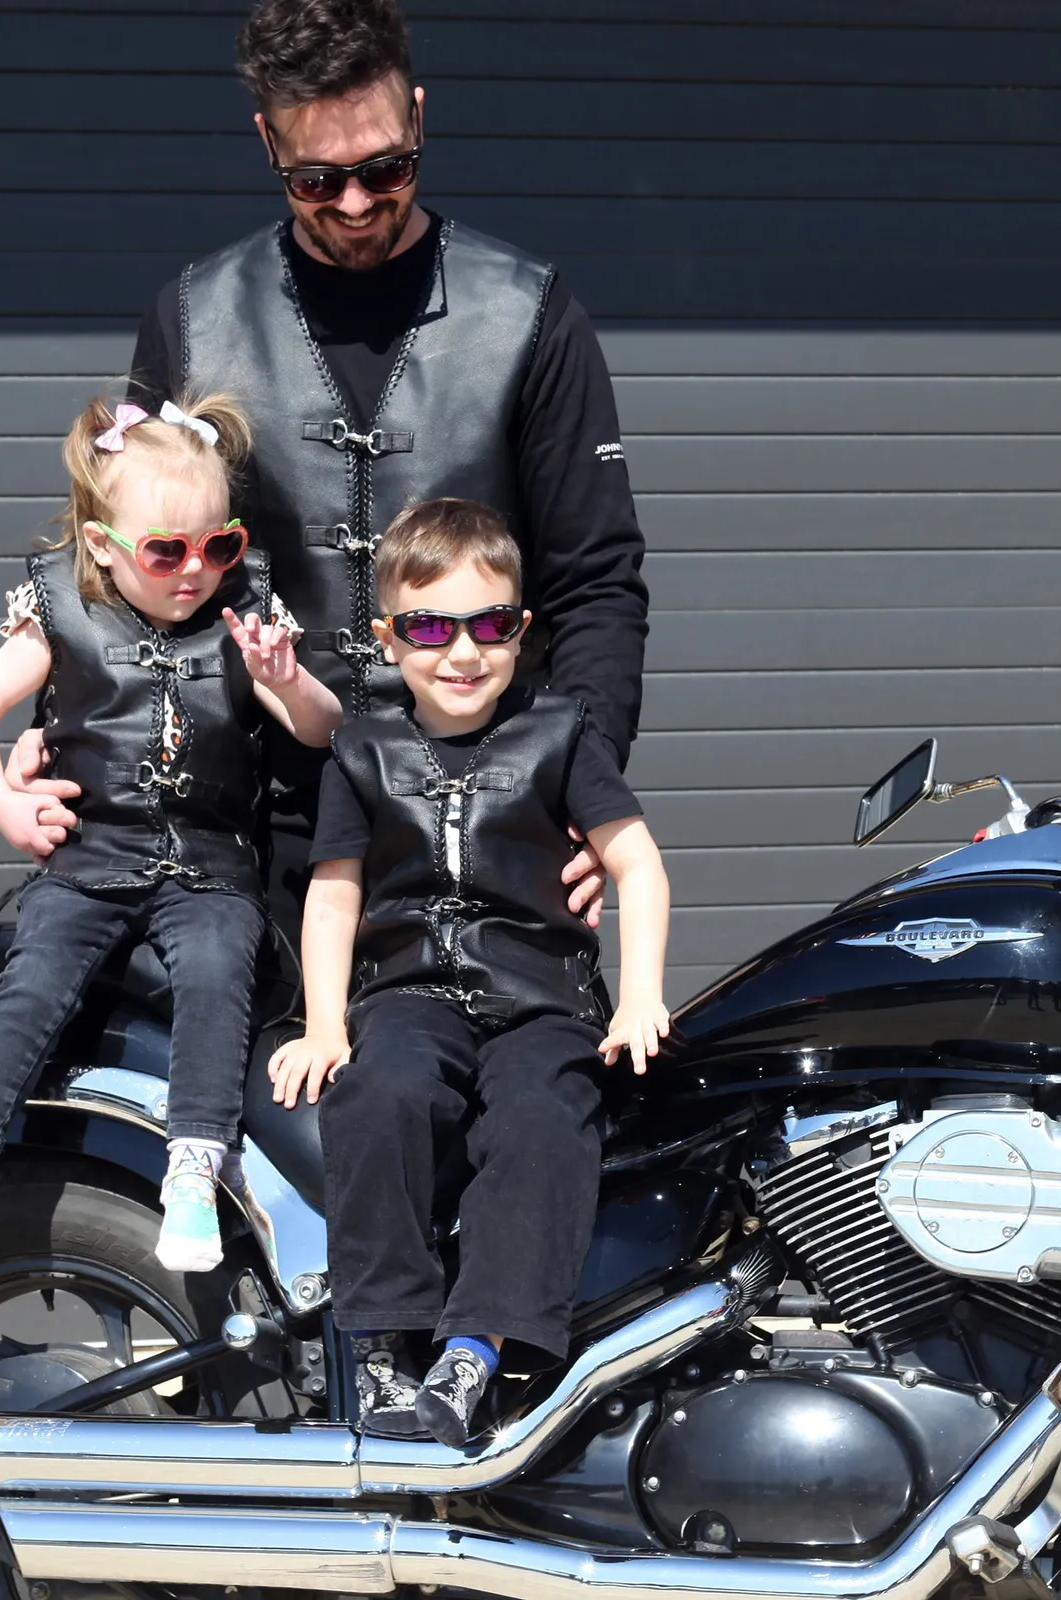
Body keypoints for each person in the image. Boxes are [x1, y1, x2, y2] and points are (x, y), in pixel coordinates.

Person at [11, 0, 648, 951]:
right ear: (267, 141)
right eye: (315, 179)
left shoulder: (532, 315)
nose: (354, 203)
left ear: (419, 118)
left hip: (489, 813)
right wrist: (57, 734)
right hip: (253, 829)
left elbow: (594, 581)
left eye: (385, 168)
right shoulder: (192, 318)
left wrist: (583, 787)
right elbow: (126, 566)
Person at [0, 395, 341, 1272]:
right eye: (165, 551)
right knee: (36, 973)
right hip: (89, 857)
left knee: (217, 972)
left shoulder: (245, 614)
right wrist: (4, 803)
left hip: (210, 866)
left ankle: (194, 1175)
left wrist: (288, 679)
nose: (194, 570)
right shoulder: (61, 608)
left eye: (218, 546)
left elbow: (319, 730)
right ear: (100, 545)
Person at [268, 499, 670, 1445]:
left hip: (541, 997)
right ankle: (380, 1345)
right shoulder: (361, 751)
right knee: (380, 1094)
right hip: (408, 993)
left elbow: (637, 863)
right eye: (428, 629)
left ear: (519, 632)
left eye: (488, 627)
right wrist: (324, 1024)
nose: (461, 652)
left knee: (542, 1114)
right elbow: (333, 896)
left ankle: (472, 1350)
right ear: (387, 639)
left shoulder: (561, 733)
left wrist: (641, 994)